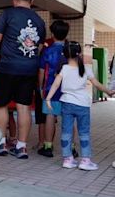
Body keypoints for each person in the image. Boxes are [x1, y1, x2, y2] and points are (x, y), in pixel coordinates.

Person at [0, 0, 46, 159]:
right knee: (23, 107)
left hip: (7, 67)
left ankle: (0, 143)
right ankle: (21, 146)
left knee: (1, 104)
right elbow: (38, 47)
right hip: (29, 69)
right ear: (32, 1)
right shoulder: (39, 21)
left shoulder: (7, 14)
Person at [45, 41, 114, 170]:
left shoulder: (64, 68)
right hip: (82, 105)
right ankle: (85, 161)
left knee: (66, 132)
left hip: (66, 103)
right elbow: (97, 84)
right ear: (80, 53)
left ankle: (67, 159)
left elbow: (55, 85)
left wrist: (48, 98)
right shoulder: (86, 68)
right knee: (84, 133)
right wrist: (108, 91)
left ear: (65, 55)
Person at [37, 20, 69, 157]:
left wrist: (39, 87)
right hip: (68, 90)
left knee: (50, 116)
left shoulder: (47, 51)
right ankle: (71, 147)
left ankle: (48, 146)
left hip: (50, 89)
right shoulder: (70, 51)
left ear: (52, 33)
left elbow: (42, 72)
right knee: (69, 118)